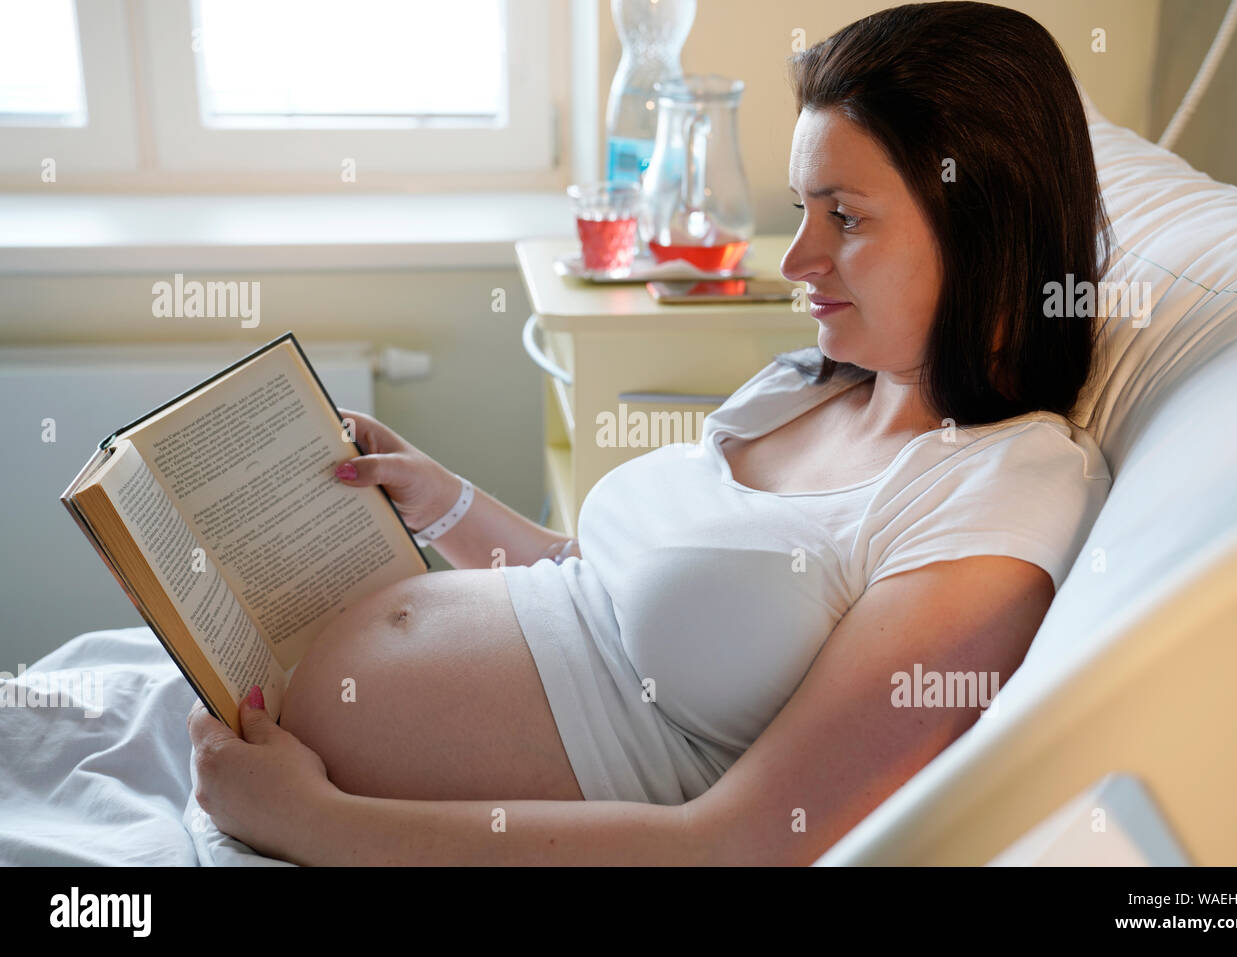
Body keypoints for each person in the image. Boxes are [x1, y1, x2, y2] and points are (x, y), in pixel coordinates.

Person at [187, 0, 1115, 866]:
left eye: (847, 217)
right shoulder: (808, 384)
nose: (796, 259)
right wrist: (447, 502)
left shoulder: (998, 494)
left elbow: (743, 841)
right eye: (800, 210)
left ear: (986, 229)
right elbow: (596, 588)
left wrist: (313, 821)